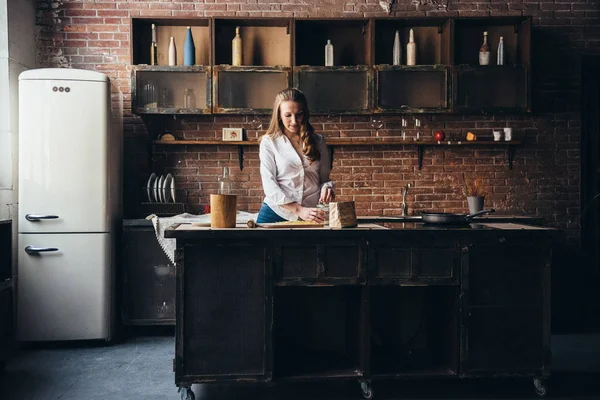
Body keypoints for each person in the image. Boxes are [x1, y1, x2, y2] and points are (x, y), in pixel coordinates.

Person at [257, 88, 335, 223]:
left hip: (311, 214)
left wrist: (327, 188)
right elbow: (269, 184)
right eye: (288, 115)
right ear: (279, 115)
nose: (294, 121)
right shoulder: (269, 142)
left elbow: (324, 178)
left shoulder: (319, 141)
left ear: (305, 114)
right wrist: (299, 210)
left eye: (299, 114)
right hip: (275, 213)